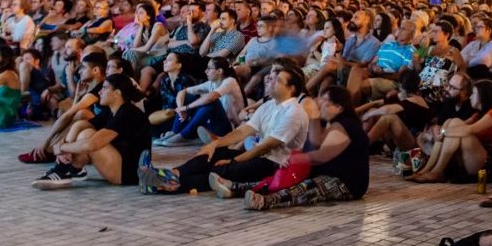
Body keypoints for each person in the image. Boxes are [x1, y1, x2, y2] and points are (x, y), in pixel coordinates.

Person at [140, 66, 310, 195]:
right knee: (213, 154)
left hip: (274, 165)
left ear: (291, 89)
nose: (269, 81)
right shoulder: (269, 105)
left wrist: (233, 160)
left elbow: (266, 146)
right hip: (259, 156)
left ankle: (163, 184)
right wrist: (215, 144)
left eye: (277, 80)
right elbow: (243, 131)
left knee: (219, 171)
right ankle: (169, 174)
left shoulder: (293, 111)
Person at [224, 86, 371, 210]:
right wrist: (290, 158)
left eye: (326, 101)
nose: (320, 103)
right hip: (322, 173)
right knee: (279, 178)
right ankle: (236, 188)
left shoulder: (346, 125)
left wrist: (295, 159)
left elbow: (321, 156)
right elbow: (311, 145)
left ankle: (264, 201)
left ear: (339, 107)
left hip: (345, 182)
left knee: (308, 187)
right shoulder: (327, 122)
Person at [32, 73, 151, 189]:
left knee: (87, 135)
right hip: (119, 164)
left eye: (104, 88)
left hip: (128, 174)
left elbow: (92, 144)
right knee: (81, 127)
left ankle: (63, 170)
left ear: (117, 93)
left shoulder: (127, 113)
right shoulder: (111, 111)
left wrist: (62, 147)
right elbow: (81, 124)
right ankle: (69, 168)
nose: (99, 92)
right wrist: (67, 145)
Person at [411, 79, 492, 183]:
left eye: (473, 93)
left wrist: (444, 133)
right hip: (477, 156)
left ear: (483, 95)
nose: (470, 97)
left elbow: (469, 130)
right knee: (450, 121)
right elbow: (458, 126)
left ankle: (437, 172)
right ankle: (426, 170)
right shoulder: (478, 115)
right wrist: (443, 130)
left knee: (456, 123)